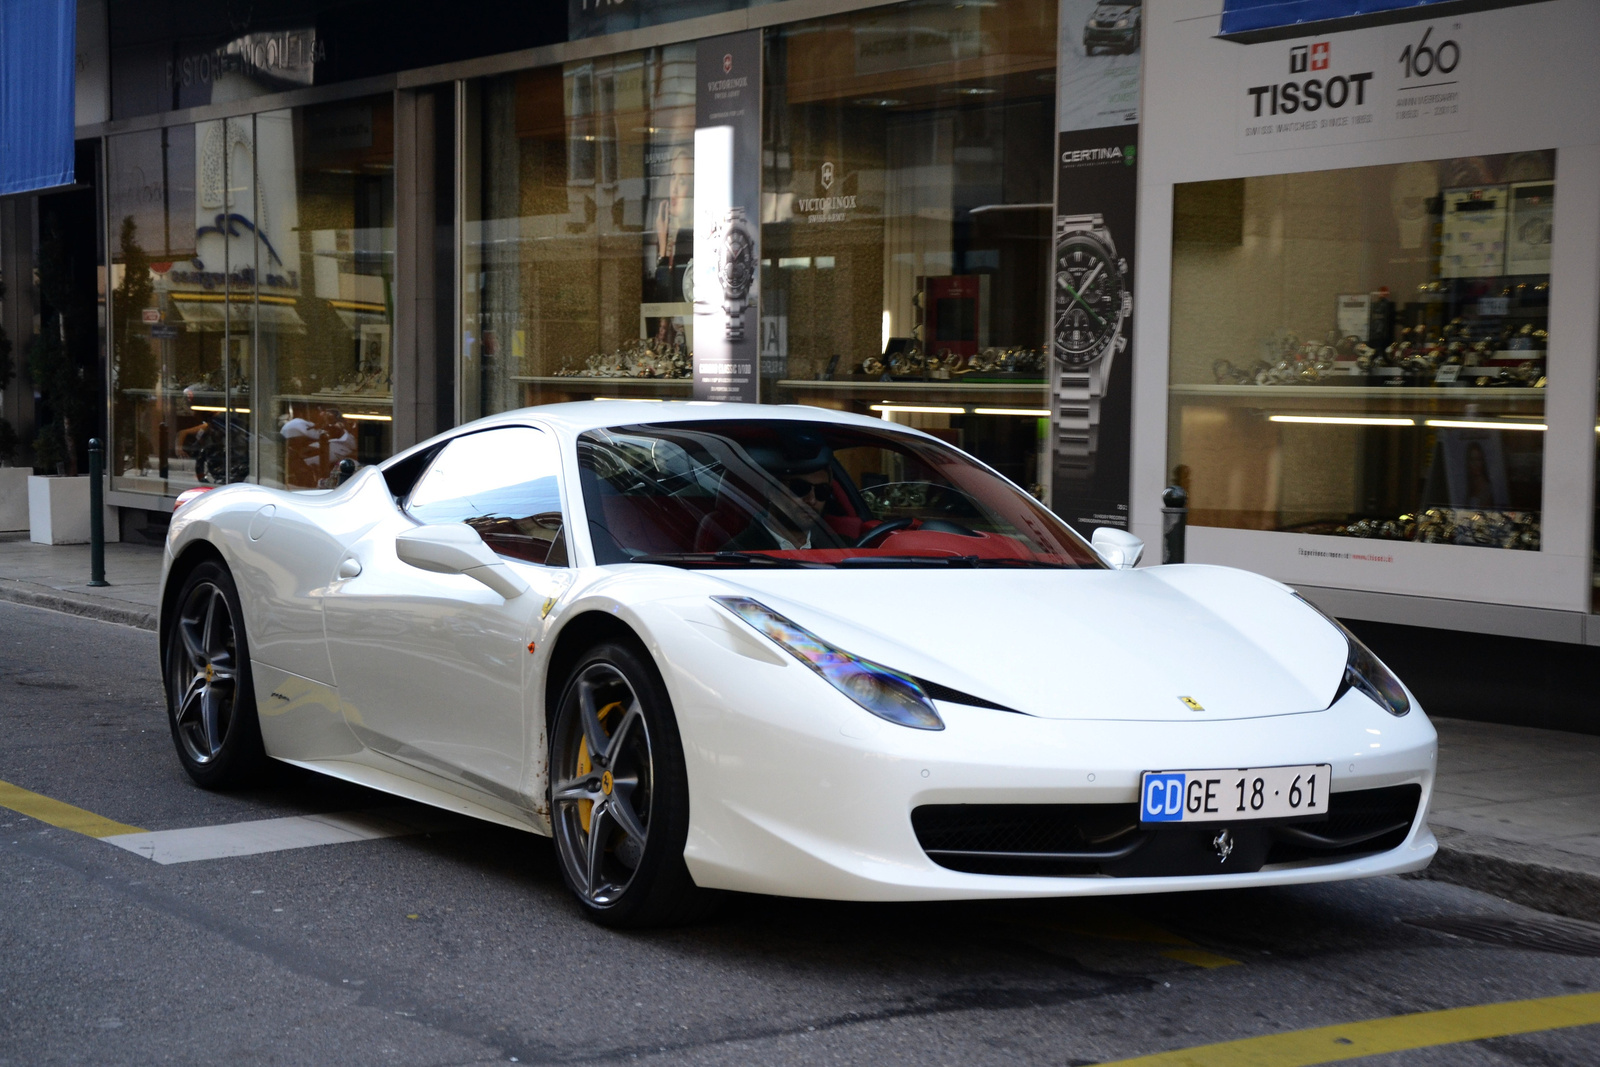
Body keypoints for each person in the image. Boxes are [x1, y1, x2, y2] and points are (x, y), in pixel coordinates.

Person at [725, 432, 835, 551]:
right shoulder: (738, 553)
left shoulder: (843, 548)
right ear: (771, 492)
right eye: (800, 488)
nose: (812, 499)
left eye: (822, 491)